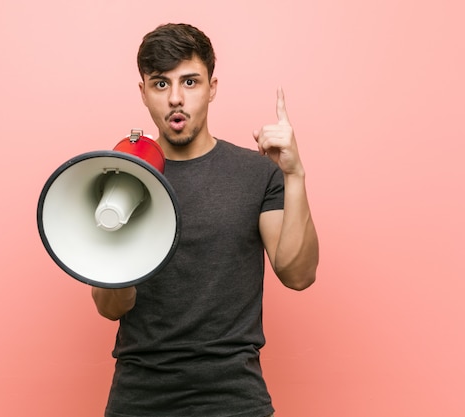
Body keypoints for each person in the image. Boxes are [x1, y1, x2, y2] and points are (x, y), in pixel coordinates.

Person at [91, 23, 319, 417]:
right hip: (139, 399)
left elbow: (297, 275)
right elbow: (111, 307)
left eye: (190, 82)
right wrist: (119, 223)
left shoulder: (256, 173)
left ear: (212, 87)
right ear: (143, 92)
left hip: (234, 399)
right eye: (161, 84)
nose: (176, 99)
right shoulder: (120, 177)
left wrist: (294, 175)